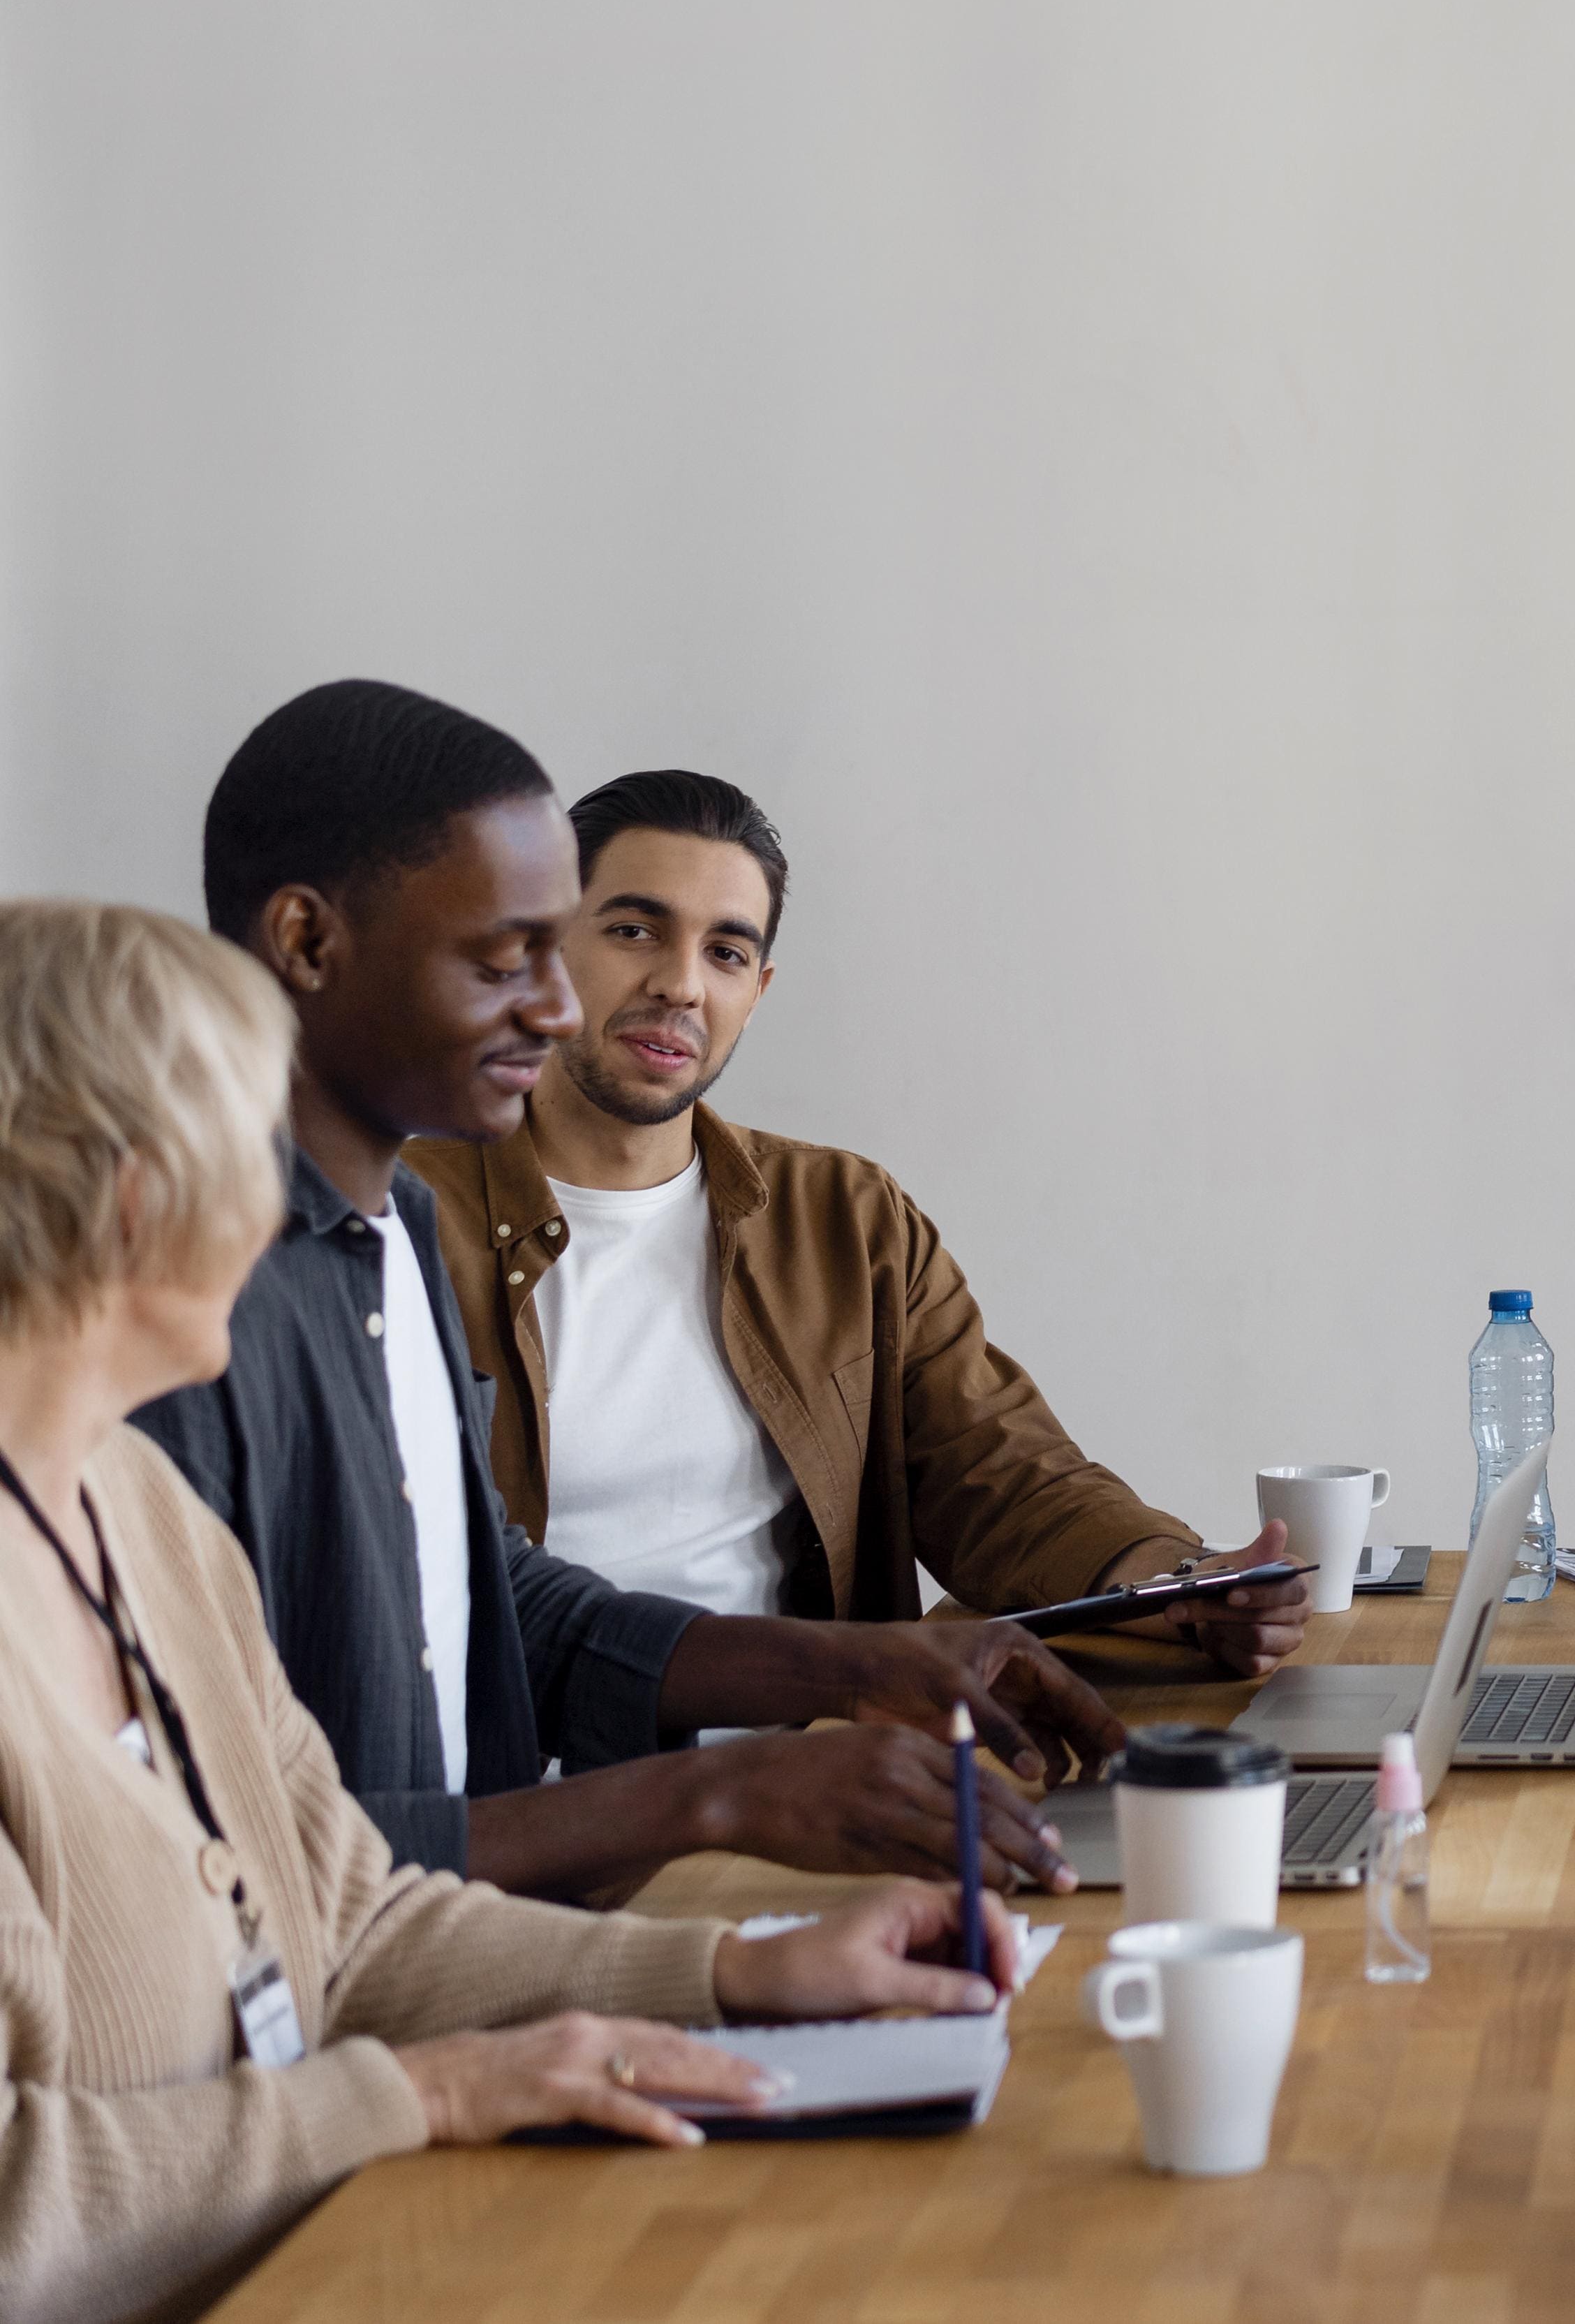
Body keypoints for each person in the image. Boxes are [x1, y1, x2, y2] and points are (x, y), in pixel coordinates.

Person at [0, 898, 1018, 2324]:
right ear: (134, 1198)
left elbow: (344, 1915)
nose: (295, 1200)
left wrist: (737, 1968)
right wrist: (422, 2092)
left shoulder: (134, 1506)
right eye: (257, 1150)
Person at [132, 682, 1114, 1902]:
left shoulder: (393, 1232)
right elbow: (203, 1855)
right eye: (511, 957)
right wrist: (716, 1797)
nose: (557, 1008)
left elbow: (502, 1605)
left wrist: (851, 1670)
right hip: (364, 2024)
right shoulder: (174, 1299)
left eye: (557, 951)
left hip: (484, 1947)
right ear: (308, 942)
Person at [402, 768, 1305, 1670]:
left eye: (725, 952)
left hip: (824, 1766)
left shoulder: (845, 1218)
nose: (681, 984)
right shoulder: (394, 1224)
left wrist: (1186, 1585)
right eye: (635, 929)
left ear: (756, 989)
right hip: (533, 1791)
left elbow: (1004, 1478)